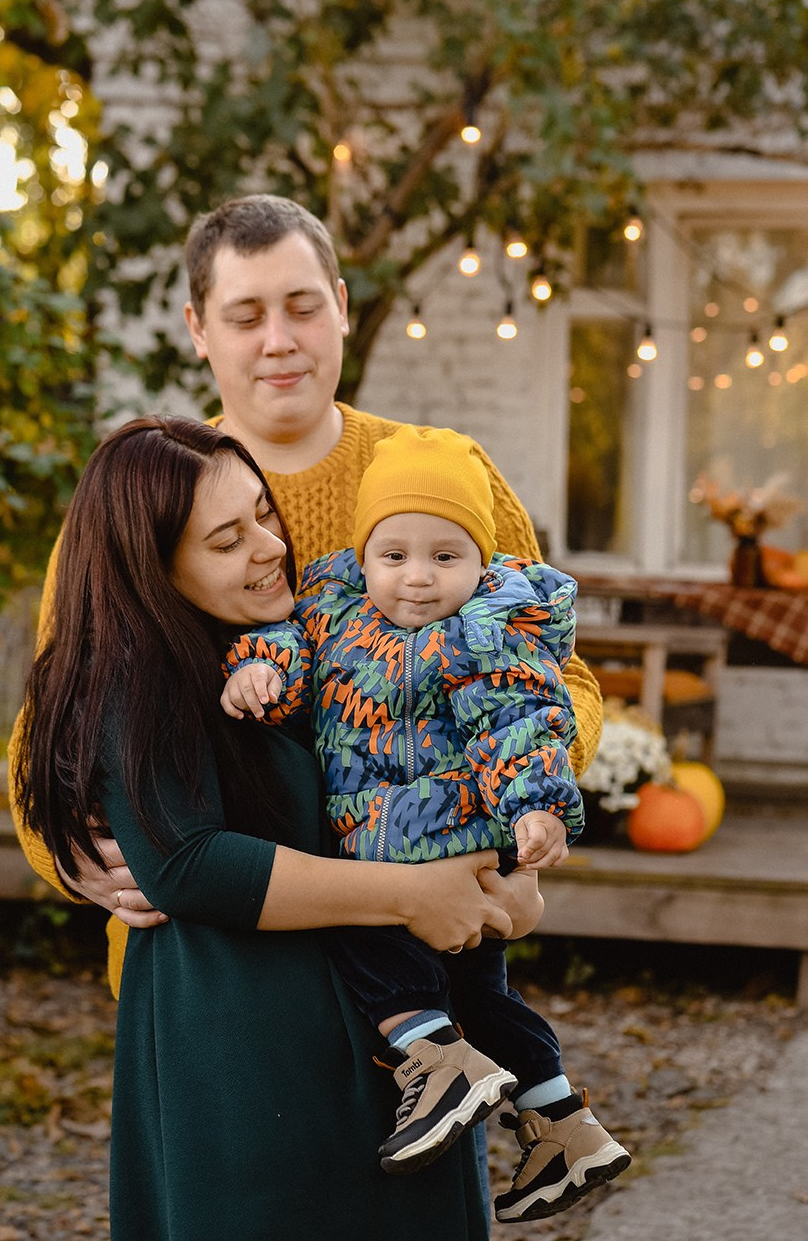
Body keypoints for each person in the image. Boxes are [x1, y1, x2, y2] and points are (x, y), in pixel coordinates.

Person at [11, 193, 603, 997]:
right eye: (245, 315)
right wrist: (71, 857)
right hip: (216, 974)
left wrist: (516, 803)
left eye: (301, 307)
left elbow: (558, 675)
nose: (278, 341)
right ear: (197, 328)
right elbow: (48, 728)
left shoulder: (440, 473)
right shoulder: (139, 511)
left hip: (424, 944)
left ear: (342, 307)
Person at [13, 415, 523, 1240]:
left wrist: (505, 870)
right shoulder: (136, 678)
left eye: (263, 512)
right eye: (226, 538)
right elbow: (188, 863)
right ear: (152, 567)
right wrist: (411, 895)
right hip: (247, 1057)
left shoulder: (284, 646)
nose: (267, 545)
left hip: (382, 1030)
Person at [221, 425, 630, 1223]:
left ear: (480, 561)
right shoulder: (332, 612)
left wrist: (536, 805)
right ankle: (562, 1122)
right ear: (363, 555)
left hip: (440, 844)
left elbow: (521, 719)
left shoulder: (487, 629)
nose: (416, 578)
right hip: (412, 849)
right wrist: (259, 669)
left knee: (361, 940)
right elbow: (287, 647)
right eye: (394, 554)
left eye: (445, 556)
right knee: (481, 995)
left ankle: (431, 1057)